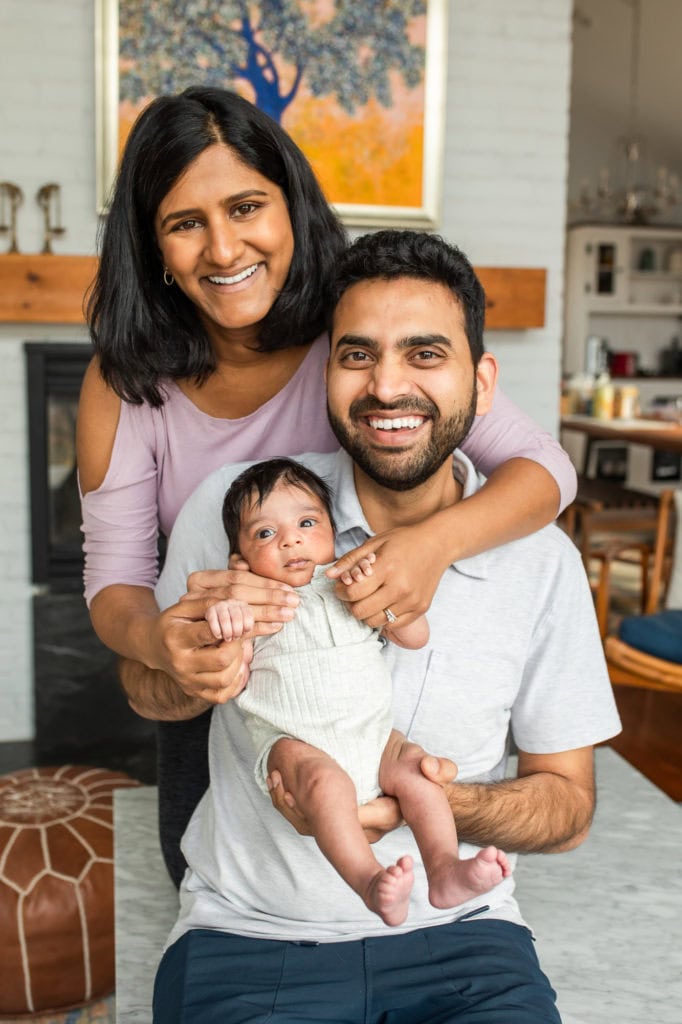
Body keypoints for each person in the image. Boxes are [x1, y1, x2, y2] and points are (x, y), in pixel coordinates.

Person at [76, 86, 578, 887]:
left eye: (246, 207)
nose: (223, 248)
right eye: (184, 223)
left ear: (292, 207)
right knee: (214, 894)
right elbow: (116, 583)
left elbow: (546, 472)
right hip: (231, 702)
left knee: (406, 893)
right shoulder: (125, 384)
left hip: (369, 683)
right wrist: (162, 643)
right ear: (151, 246)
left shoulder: (356, 345)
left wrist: (429, 546)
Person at [138, 229, 621, 1022]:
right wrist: (181, 663)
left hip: (464, 938)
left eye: (425, 354)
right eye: (357, 355)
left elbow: (567, 810)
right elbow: (147, 691)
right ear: (327, 373)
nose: (386, 386)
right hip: (247, 935)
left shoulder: (542, 564)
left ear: (483, 380)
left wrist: (425, 797)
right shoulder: (247, 510)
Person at [206, 457, 511, 927]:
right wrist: (226, 616)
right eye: (266, 533)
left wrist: (380, 599)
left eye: (307, 523)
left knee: (417, 772)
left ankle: (445, 868)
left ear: (331, 530)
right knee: (325, 785)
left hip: (374, 737)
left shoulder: (347, 585)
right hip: (294, 743)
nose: (291, 539)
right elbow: (223, 666)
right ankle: (368, 881)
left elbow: (416, 638)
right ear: (240, 560)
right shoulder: (252, 602)